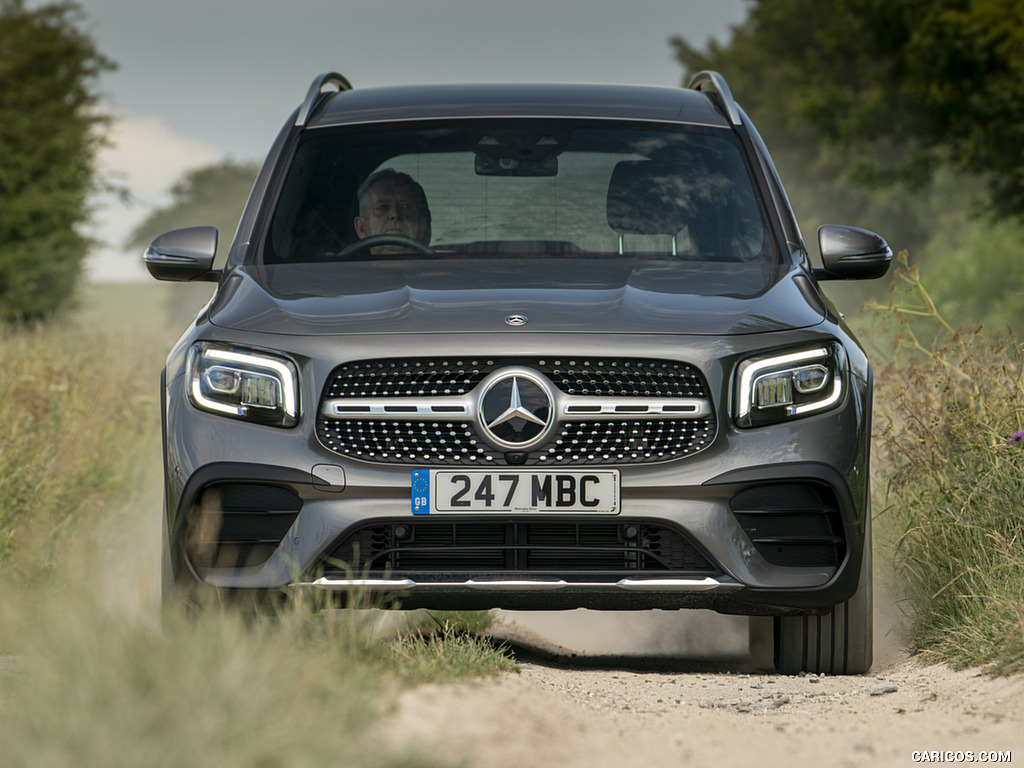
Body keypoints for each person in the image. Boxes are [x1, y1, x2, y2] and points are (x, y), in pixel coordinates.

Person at [353, 168, 431, 254]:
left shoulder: (442, 266)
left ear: (422, 226)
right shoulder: (342, 267)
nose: (395, 214)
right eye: (382, 207)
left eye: (405, 206)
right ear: (362, 228)